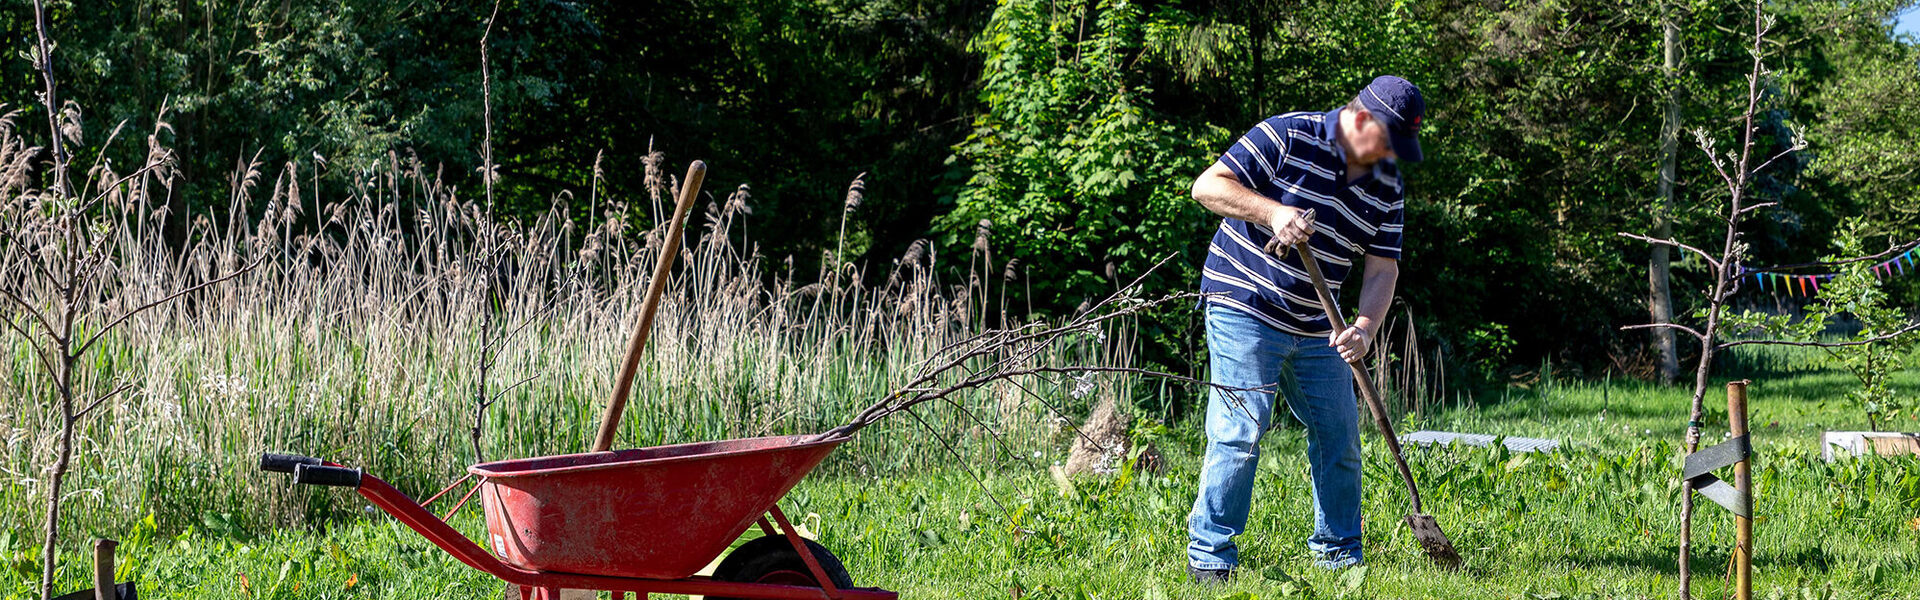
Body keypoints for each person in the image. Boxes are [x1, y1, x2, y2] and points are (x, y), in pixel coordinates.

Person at [1184, 75, 1425, 581]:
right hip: (1244, 301)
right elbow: (1207, 186)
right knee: (1241, 430)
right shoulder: (1289, 134)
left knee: (1339, 436)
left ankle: (1340, 556)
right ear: (1360, 119)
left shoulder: (1387, 186)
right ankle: (1210, 558)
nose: (1390, 156)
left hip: (1319, 322)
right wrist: (1273, 213)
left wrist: (1364, 328)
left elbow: (1383, 269)